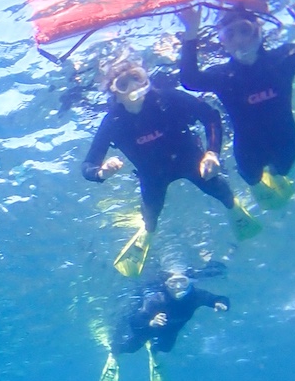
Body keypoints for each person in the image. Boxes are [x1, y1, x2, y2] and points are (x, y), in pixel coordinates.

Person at [81, 53, 259, 278]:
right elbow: (87, 165)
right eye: (123, 84)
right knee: (151, 217)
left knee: (222, 192)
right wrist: (101, 172)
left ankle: (233, 207)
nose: (133, 86)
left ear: (145, 79)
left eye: (136, 78)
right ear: (114, 93)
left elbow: (211, 116)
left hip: (191, 160)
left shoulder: (169, 99)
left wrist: (212, 152)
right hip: (152, 176)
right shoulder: (113, 121)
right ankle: (147, 229)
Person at [177, 3, 295, 209]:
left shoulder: (282, 58)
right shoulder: (222, 76)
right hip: (248, 149)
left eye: (245, 30)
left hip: (284, 142)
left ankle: (275, 177)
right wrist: (190, 33)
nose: (240, 41)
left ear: (259, 30)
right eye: (230, 35)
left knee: (282, 169)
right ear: (223, 42)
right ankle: (260, 184)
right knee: (250, 177)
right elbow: (190, 80)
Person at [98, 269, 229, 381]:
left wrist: (221, 304)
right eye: (173, 283)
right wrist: (151, 322)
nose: (178, 287)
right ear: (166, 284)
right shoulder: (157, 299)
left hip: (171, 331)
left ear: (189, 282)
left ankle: (153, 351)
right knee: (131, 348)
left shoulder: (196, 295)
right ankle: (113, 354)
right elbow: (135, 321)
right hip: (148, 329)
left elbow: (217, 298)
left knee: (165, 348)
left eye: (182, 282)